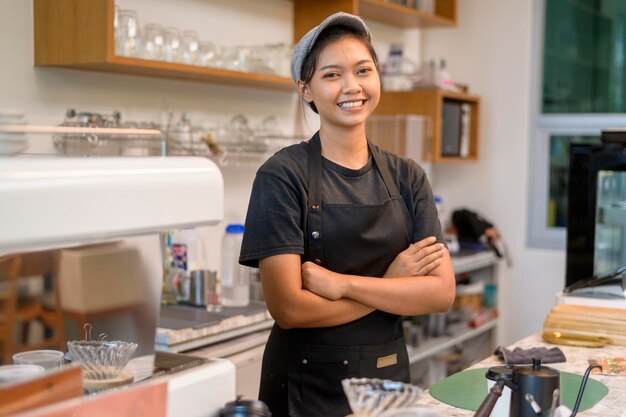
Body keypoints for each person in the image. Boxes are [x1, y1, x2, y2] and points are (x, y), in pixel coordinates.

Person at [239, 12, 455, 417]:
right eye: (332, 75)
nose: (352, 86)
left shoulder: (408, 177)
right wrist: (392, 286)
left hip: (387, 383)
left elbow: (439, 294)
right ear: (306, 90)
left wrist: (342, 284)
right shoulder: (282, 176)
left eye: (363, 70)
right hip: (304, 388)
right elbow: (289, 309)